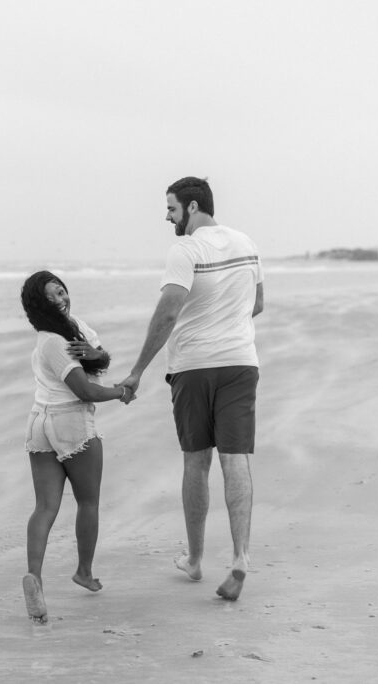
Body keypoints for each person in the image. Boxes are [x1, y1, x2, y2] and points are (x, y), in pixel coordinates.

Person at [118, 177, 263, 601]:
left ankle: (196, 560)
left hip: (194, 368)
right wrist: (227, 321)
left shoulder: (185, 249)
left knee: (196, 462)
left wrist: (137, 370)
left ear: (193, 206)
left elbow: (168, 311)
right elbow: (256, 305)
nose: (167, 216)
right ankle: (240, 558)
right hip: (240, 363)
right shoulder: (247, 243)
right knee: (236, 461)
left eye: (171, 209)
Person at [19, 270, 133, 624]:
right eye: (52, 296)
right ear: (41, 305)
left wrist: (96, 353)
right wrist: (121, 391)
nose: (61, 299)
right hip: (69, 421)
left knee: (45, 507)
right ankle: (84, 571)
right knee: (88, 502)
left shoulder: (71, 329)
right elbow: (84, 389)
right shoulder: (54, 340)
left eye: (62, 290)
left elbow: (99, 360)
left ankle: (34, 577)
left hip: (39, 421)